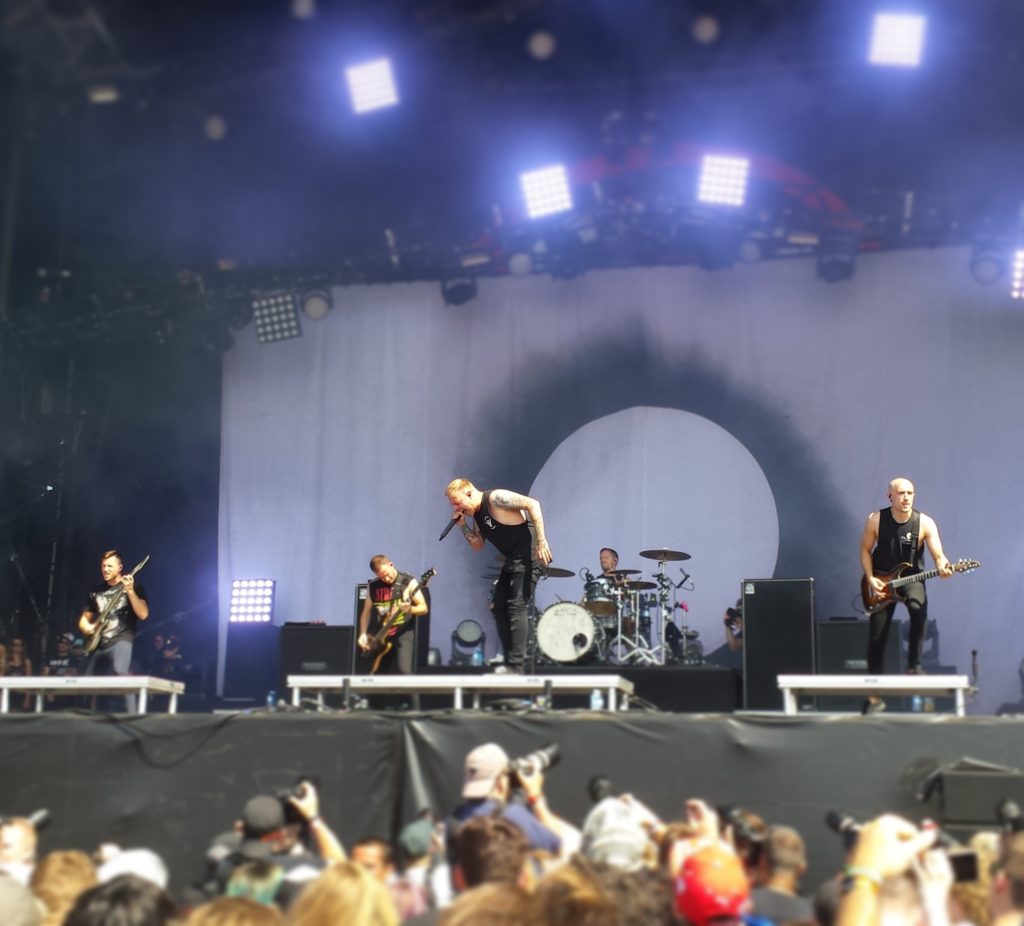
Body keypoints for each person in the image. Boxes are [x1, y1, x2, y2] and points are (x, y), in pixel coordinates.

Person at [859, 478, 953, 714]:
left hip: (911, 579)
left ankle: (914, 664)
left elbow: (938, 555)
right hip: (882, 581)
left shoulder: (925, 523)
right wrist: (870, 577)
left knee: (918, 609)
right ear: (890, 496)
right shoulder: (876, 519)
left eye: (910, 492)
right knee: (877, 637)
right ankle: (874, 698)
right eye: (901, 493)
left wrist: (943, 565)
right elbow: (865, 550)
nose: (906, 497)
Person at [445, 480, 552, 673]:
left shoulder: (495, 498)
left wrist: (542, 542)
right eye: (453, 504)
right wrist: (462, 525)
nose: (455, 507)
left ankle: (517, 665)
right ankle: (510, 659)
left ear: (469, 493)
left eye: (456, 501)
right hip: (513, 560)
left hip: (529, 556)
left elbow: (532, 504)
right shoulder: (477, 516)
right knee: (497, 605)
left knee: (516, 604)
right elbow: (478, 545)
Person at [78, 550, 149, 711]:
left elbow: (143, 614)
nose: (105, 569)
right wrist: (87, 627)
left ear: (120, 567)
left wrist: (130, 591)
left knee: (119, 670)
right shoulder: (95, 592)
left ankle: (132, 712)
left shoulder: (135, 586)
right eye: (103, 566)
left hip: (121, 637)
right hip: (99, 641)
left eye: (110, 566)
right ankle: (88, 713)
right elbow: (84, 619)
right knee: (87, 678)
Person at [357, 556, 428, 675]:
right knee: (377, 673)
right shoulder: (373, 586)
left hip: (403, 631)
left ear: (391, 565)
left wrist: (410, 609)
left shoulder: (408, 582)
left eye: (387, 574)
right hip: (382, 634)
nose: (386, 579)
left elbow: (423, 608)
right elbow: (366, 612)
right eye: (381, 577)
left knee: (403, 670)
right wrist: (363, 633)